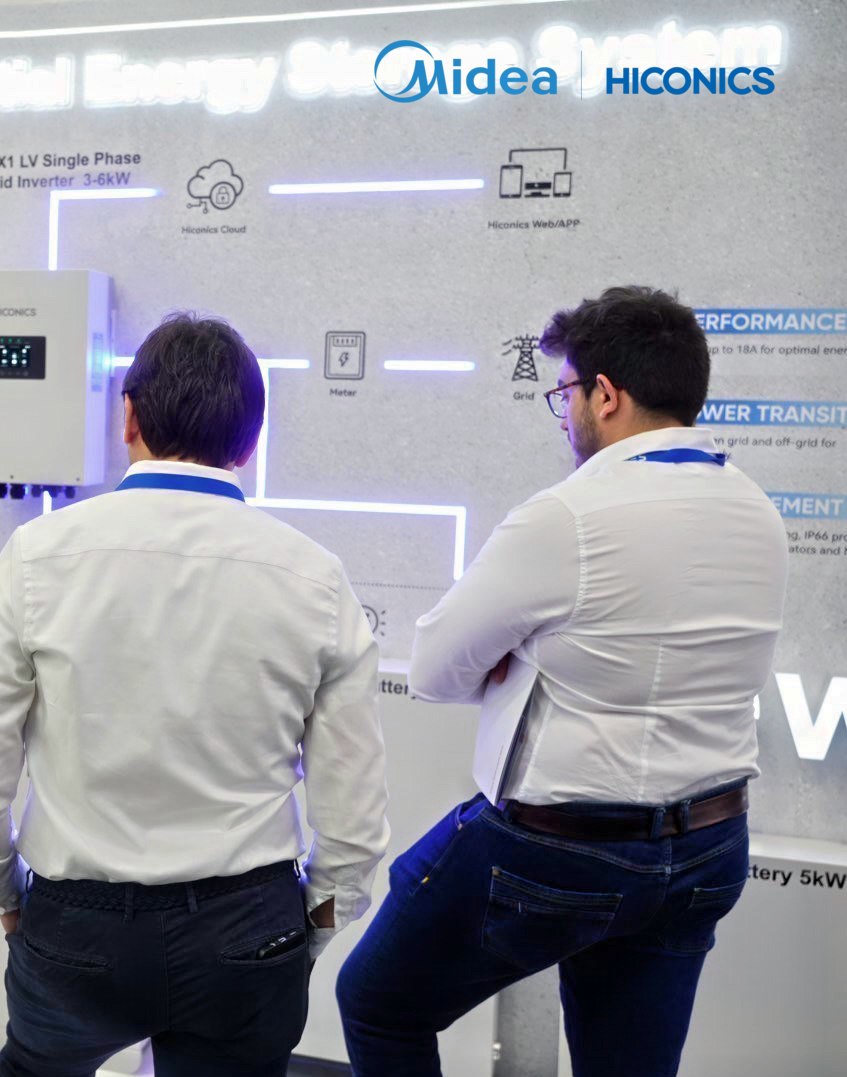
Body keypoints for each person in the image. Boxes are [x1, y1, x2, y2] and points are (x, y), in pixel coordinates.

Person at [336, 286, 789, 1077]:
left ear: (604, 395)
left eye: (565, 392)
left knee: (376, 1000)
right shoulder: (758, 512)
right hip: (708, 848)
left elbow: (438, 668)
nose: (563, 413)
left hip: (558, 853)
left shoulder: (568, 517)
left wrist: (519, 658)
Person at [0, 313, 391, 1077]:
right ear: (250, 441)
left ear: (128, 418)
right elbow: (353, 808)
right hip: (246, 926)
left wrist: (5, 893)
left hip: (74, 922)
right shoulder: (313, 575)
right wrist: (314, 919)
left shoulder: (37, 555)